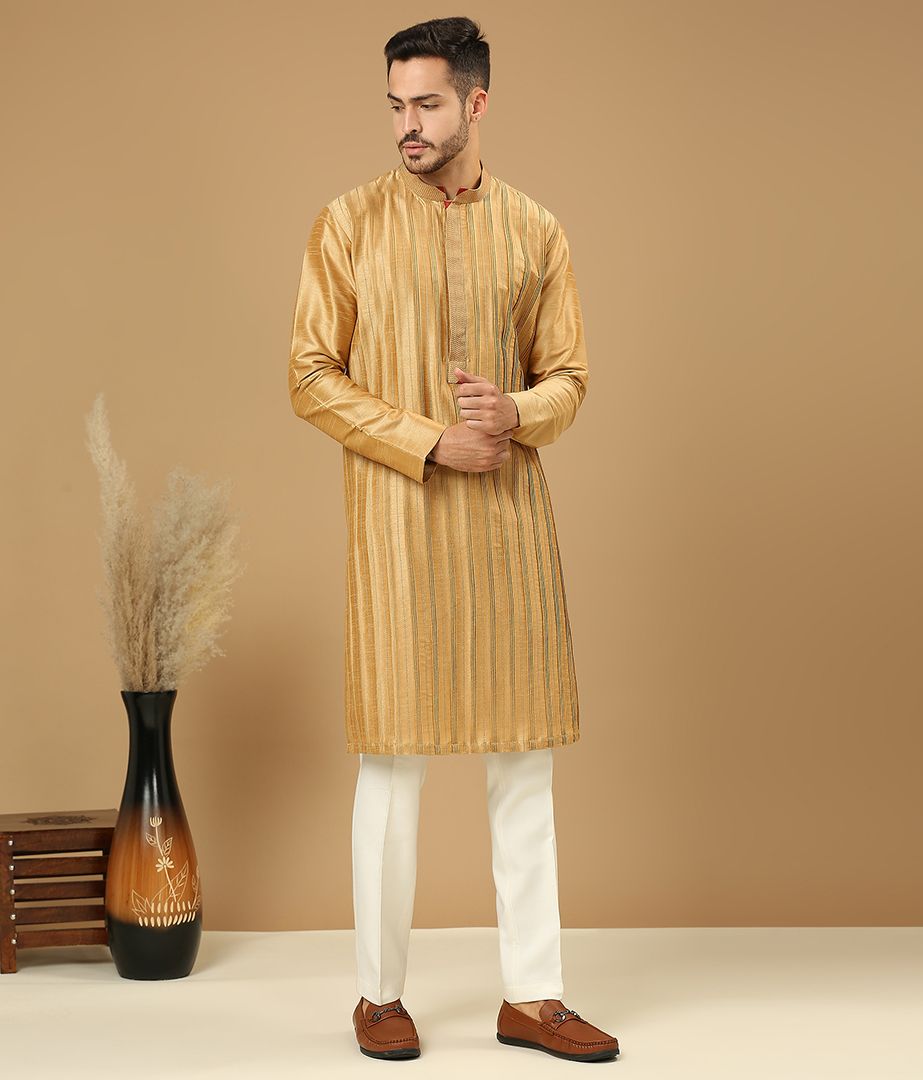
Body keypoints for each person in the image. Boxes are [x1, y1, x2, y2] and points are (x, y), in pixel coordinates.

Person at [287, 15, 619, 1064]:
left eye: (427, 103)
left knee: (523, 766)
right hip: (397, 526)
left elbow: (570, 376)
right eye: (396, 105)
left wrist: (516, 414)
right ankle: (378, 995)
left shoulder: (535, 230)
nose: (408, 125)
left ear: (476, 104)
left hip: (508, 527)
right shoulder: (347, 224)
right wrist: (431, 440)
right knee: (391, 771)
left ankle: (535, 997)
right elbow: (310, 375)